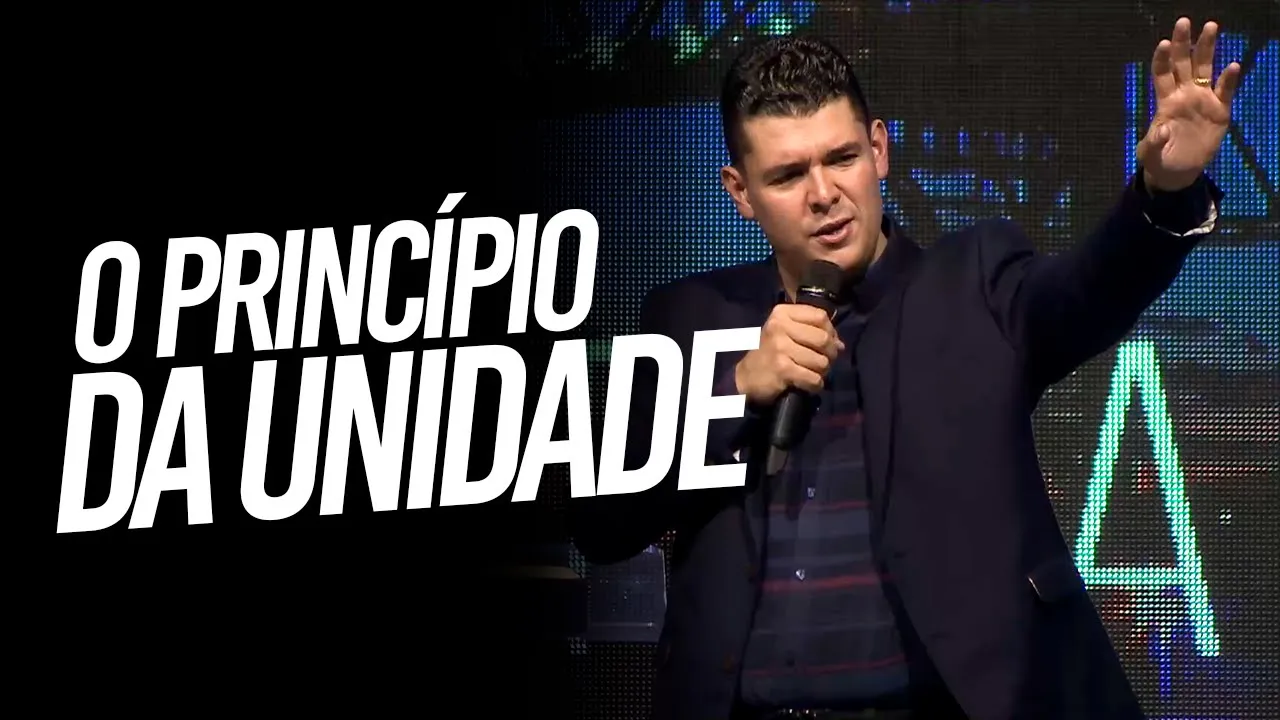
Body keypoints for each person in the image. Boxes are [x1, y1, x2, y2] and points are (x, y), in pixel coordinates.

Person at [569, 16, 1239, 720]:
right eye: (789, 175)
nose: (824, 193)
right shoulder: (690, 317)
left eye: (842, 158)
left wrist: (1165, 191)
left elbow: (1090, 289)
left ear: (879, 150)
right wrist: (733, 391)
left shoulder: (974, 282)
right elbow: (602, 525)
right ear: (741, 193)